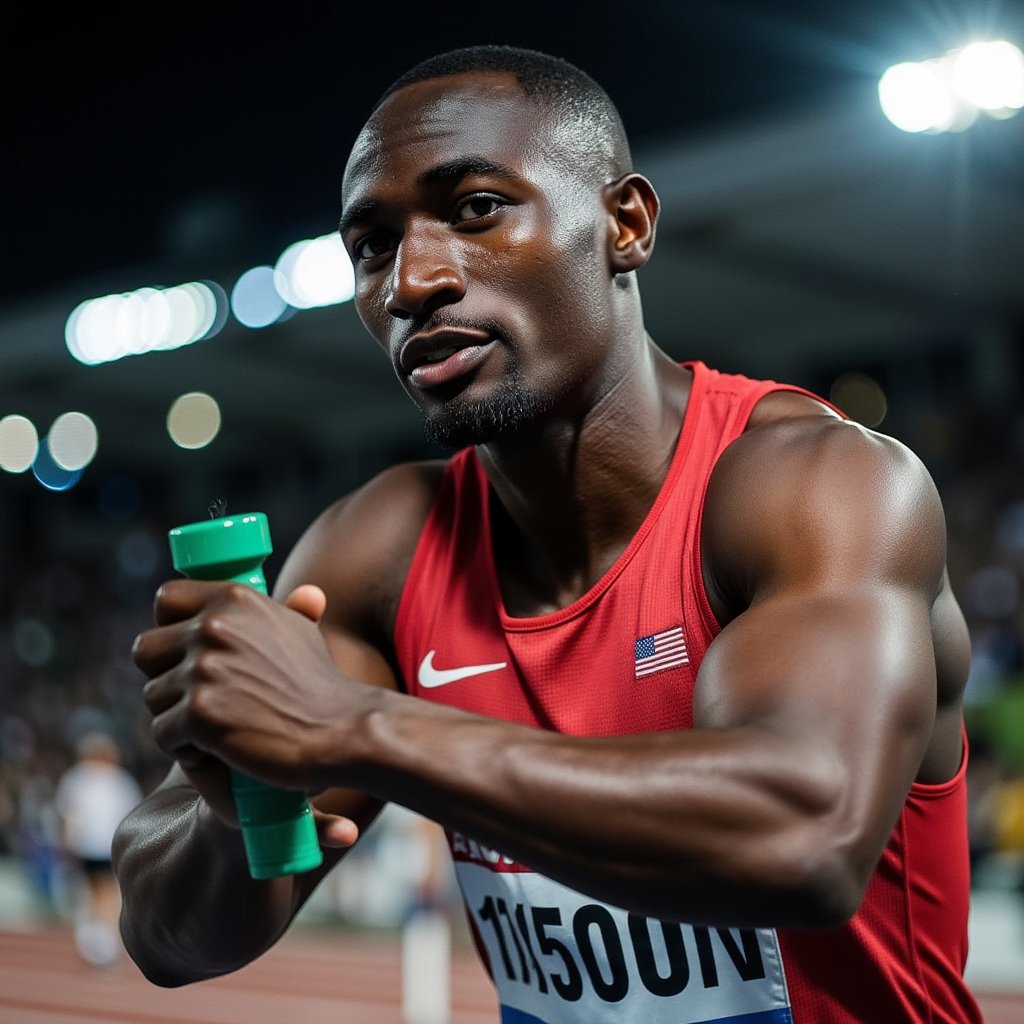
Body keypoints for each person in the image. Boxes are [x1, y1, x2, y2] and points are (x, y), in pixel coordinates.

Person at [113, 44, 982, 1023]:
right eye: (372, 247)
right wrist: (240, 807)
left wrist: (357, 727)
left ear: (625, 224)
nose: (410, 282)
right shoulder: (379, 551)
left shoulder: (816, 485)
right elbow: (164, 939)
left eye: (476, 208)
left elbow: (806, 837)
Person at [56, 731, 142, 966]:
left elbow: (68, 815)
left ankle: (99, 943)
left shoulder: (79, 778)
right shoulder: (118, 780)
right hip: (106, 845)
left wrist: (67, 842)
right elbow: (133, 815)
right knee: (105, 895)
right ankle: (102, 943)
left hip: (93, 846)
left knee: (95, 895)